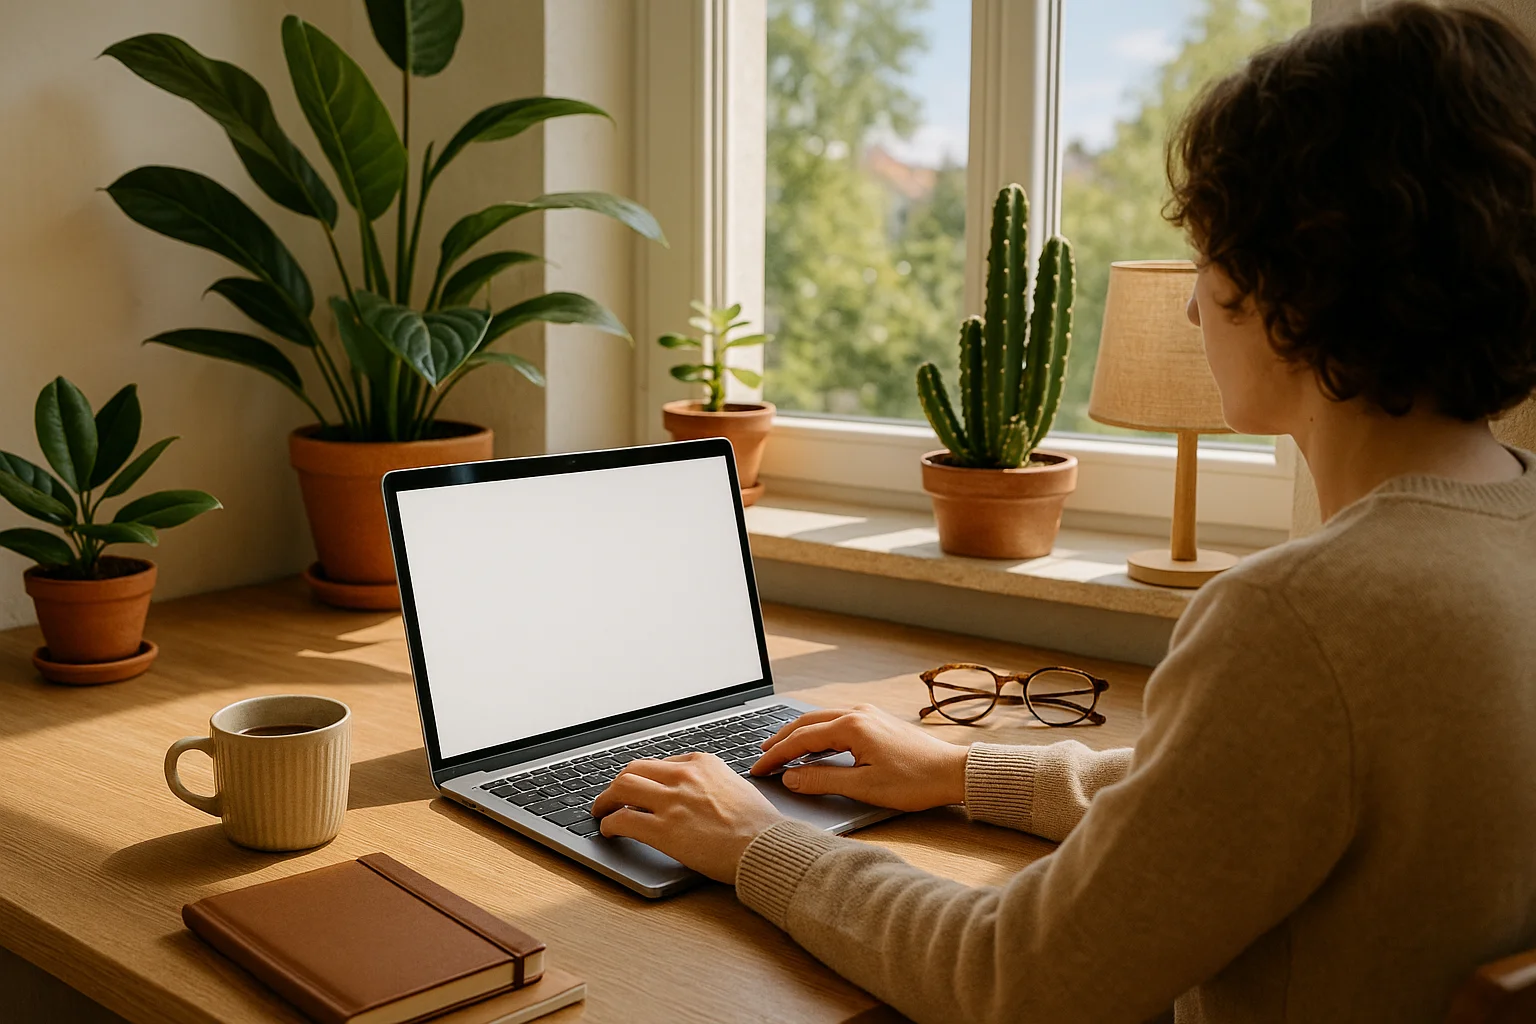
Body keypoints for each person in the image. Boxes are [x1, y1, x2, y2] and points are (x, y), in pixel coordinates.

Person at [590, 2, 1536, 1020]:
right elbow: (1226, 798)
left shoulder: (1305, 618)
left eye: (1210, 256)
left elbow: (1016, 978)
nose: (1189, 305)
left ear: (1292, 277)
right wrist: (963, 770)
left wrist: (754, 841)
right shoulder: (1502, 535)